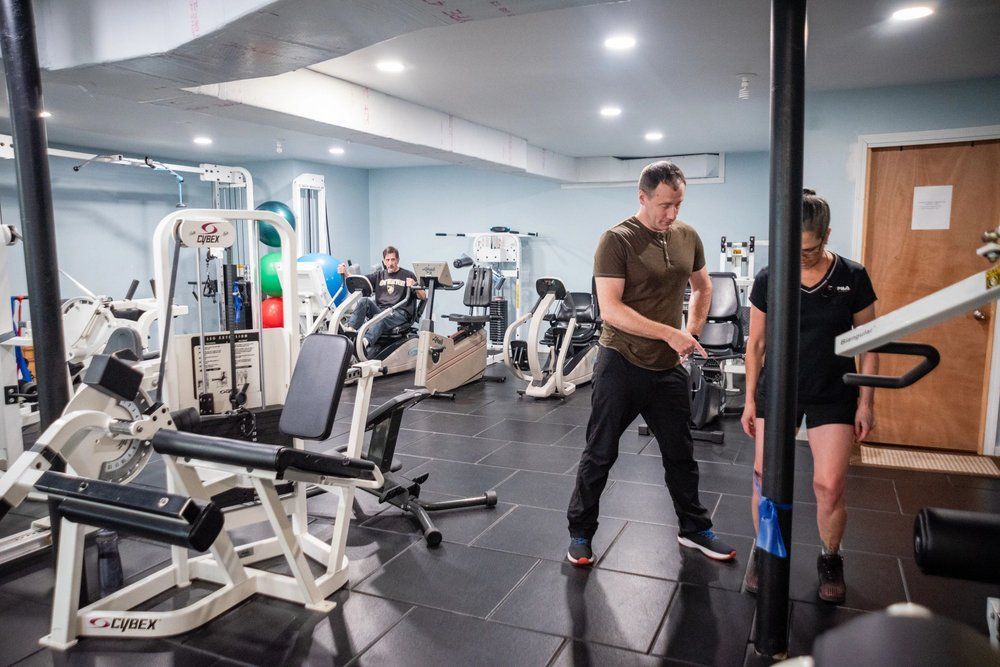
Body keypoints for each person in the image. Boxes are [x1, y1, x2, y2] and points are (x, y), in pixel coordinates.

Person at [566, 160, 737, 566]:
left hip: (667, 368)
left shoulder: (687, 236)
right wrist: (669, 332)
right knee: (600, 452)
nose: (672, 213)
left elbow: (703, 287)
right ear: (642, 197)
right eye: (664, 205)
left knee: (680, 453)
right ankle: (580, 532)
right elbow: (610, 309)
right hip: (620, 362)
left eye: (678, 203)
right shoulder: (617, 240)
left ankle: (694, 529)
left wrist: (691, 332)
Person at [741, 188, 878, 603]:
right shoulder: (770, 276)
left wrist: (868, 403)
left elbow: (870, 343)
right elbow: (757, 344)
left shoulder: (853, 276)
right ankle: (765, 552)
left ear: (827, 234)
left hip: (832, 390)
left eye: (811, 248)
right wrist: (749, 399)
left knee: (829, 485)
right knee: (766, 480)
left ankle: (830, 557)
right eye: (794, 248)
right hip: (778, 390)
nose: (802, 256)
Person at [338, 246, 424, 349]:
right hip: (382, 311)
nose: (390, 263)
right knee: (364, 301)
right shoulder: (379, 275)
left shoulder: (408, 275)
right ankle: (350, 331)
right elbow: (361, 280)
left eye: (393, 259)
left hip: (399, 313)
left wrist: (414, 285)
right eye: (387, 260)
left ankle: (363, 344)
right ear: (384, 261)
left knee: (380, 318)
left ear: (398, 260)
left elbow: (423, 296)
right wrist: (346, 273)